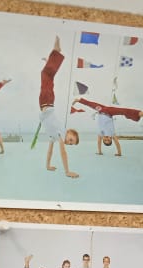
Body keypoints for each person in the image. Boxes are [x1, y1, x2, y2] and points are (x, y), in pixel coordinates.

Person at [38, 37, 80, 178]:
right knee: (46, 75)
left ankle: (53, 57)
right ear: (69, 132)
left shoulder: (54, 136)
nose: (68, 143)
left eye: (70, 143)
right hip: (48, 101)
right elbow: (63, 152)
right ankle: (56, 52)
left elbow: (50, 151)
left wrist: (48, 165)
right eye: (71, 140)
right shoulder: (61, 132)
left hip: (44, 103)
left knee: (47, 77)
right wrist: (67, 171)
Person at [74, 96, 143, 156]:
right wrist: (119, 153)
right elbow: (117, 143)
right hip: (109, 113)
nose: (106, 139)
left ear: (103, 139)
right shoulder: (112, 134)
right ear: (111, 139)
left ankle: (79, 99)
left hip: (101, 110)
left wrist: (99, 152)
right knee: (124, 111)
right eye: (108, 140)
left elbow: (99, 142)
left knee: (91, 104)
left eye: (105, 140)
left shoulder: (100, 134)